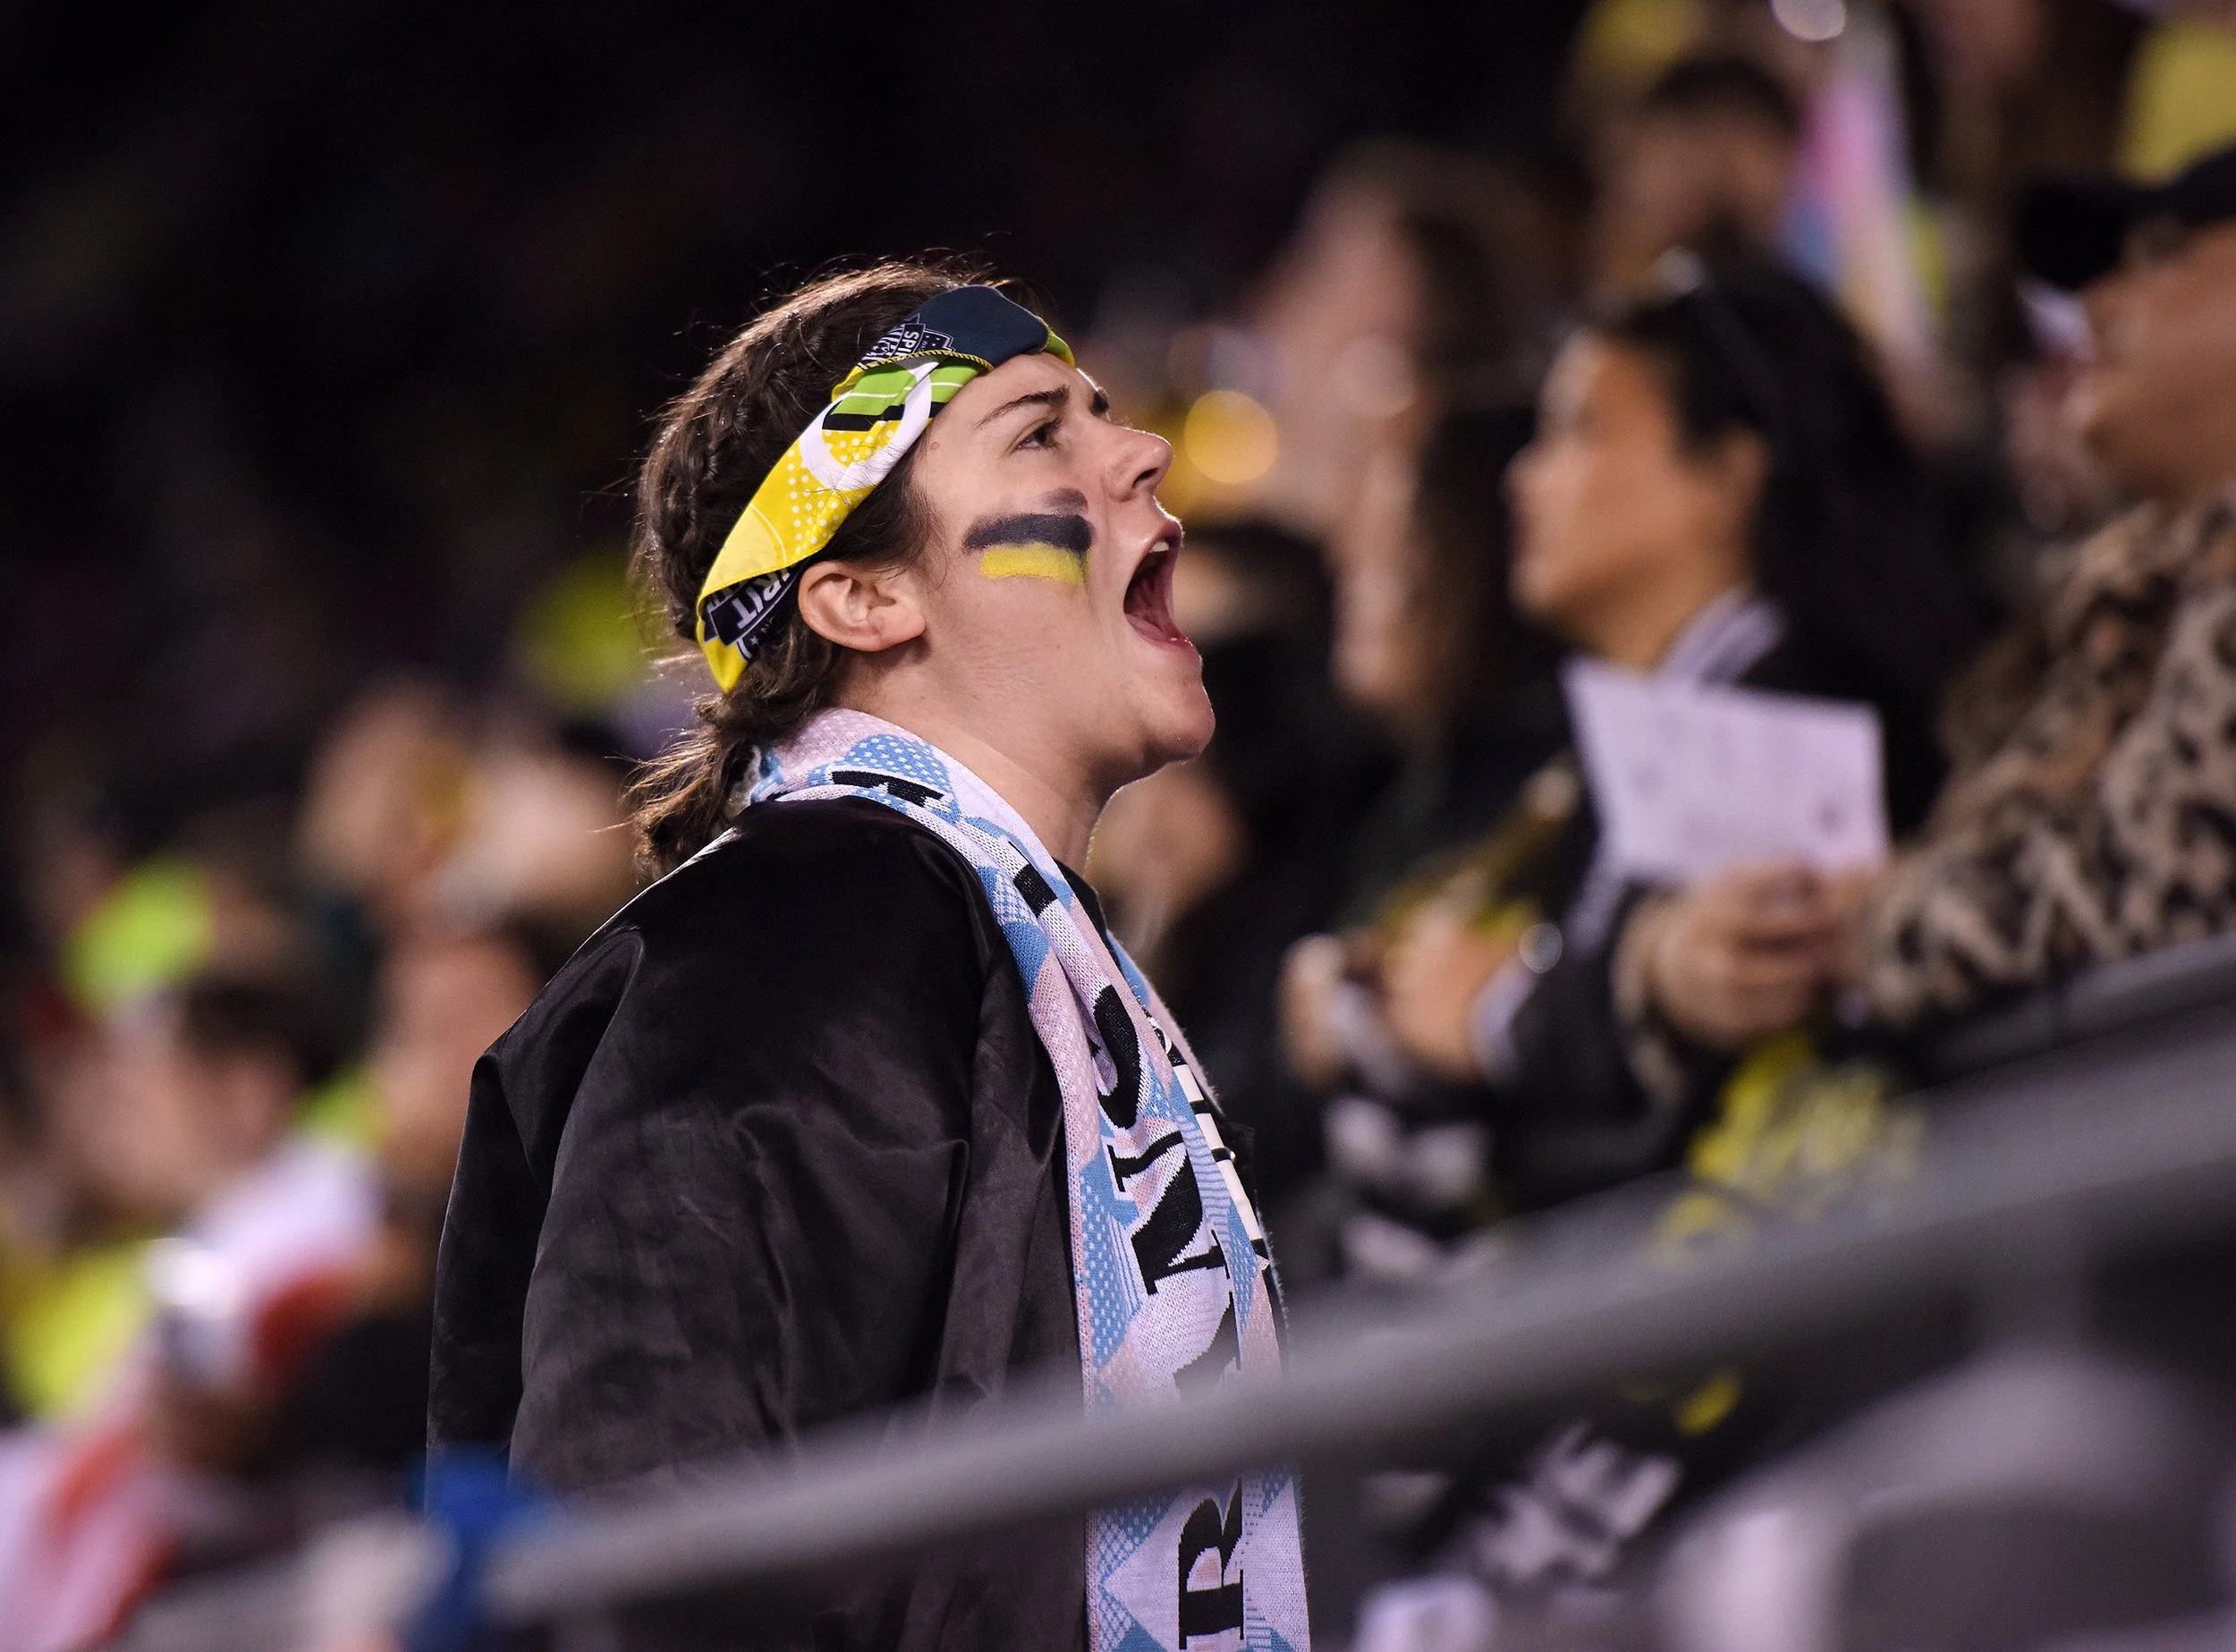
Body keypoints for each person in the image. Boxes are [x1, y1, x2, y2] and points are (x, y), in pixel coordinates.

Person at [429, 265, 1309, 1651]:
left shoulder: (951, 921)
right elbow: (657, 1540)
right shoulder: (789, 937)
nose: (1143, 449)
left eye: (1103, 413)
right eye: (1040, 431)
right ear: (861, 594)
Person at [1355, 256, 1985, 1215]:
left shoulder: (1790, 729)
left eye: (1580, 428)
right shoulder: (1647, 733)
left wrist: (1499, 1017)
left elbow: (1668, 1120)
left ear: (1726, 479)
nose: (1524, 478)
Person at [1848, 143, 2236, 1028]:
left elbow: (2154, 880)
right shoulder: (2123, 598)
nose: (2097, 305)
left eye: (2161, 256)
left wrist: (1869, 924)